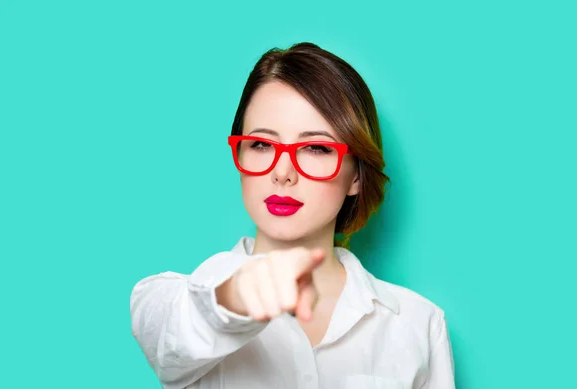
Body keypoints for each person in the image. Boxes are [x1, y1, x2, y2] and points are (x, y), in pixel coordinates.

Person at [130, 42, 455, 389]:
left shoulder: (418, 325)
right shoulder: (163, 300)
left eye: (316, 147)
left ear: (357, 176)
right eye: (261, 144)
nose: (283, 172)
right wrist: (234, 297)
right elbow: (175, 334)